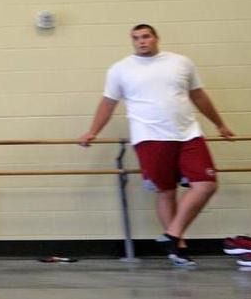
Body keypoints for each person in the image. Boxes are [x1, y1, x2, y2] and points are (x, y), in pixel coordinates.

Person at [78, 24, 234, 267]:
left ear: (156, 38)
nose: (141, 41)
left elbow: (199, 95)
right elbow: (108, 103)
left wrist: (220, 125)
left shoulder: (181, 62)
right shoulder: (120, 69)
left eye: (146, 36)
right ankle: (178, 248)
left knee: (206, 185)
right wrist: (93, 132)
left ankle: (172, 233)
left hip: (188, 134)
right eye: (136, 38)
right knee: (166, 191)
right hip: (149, 136)